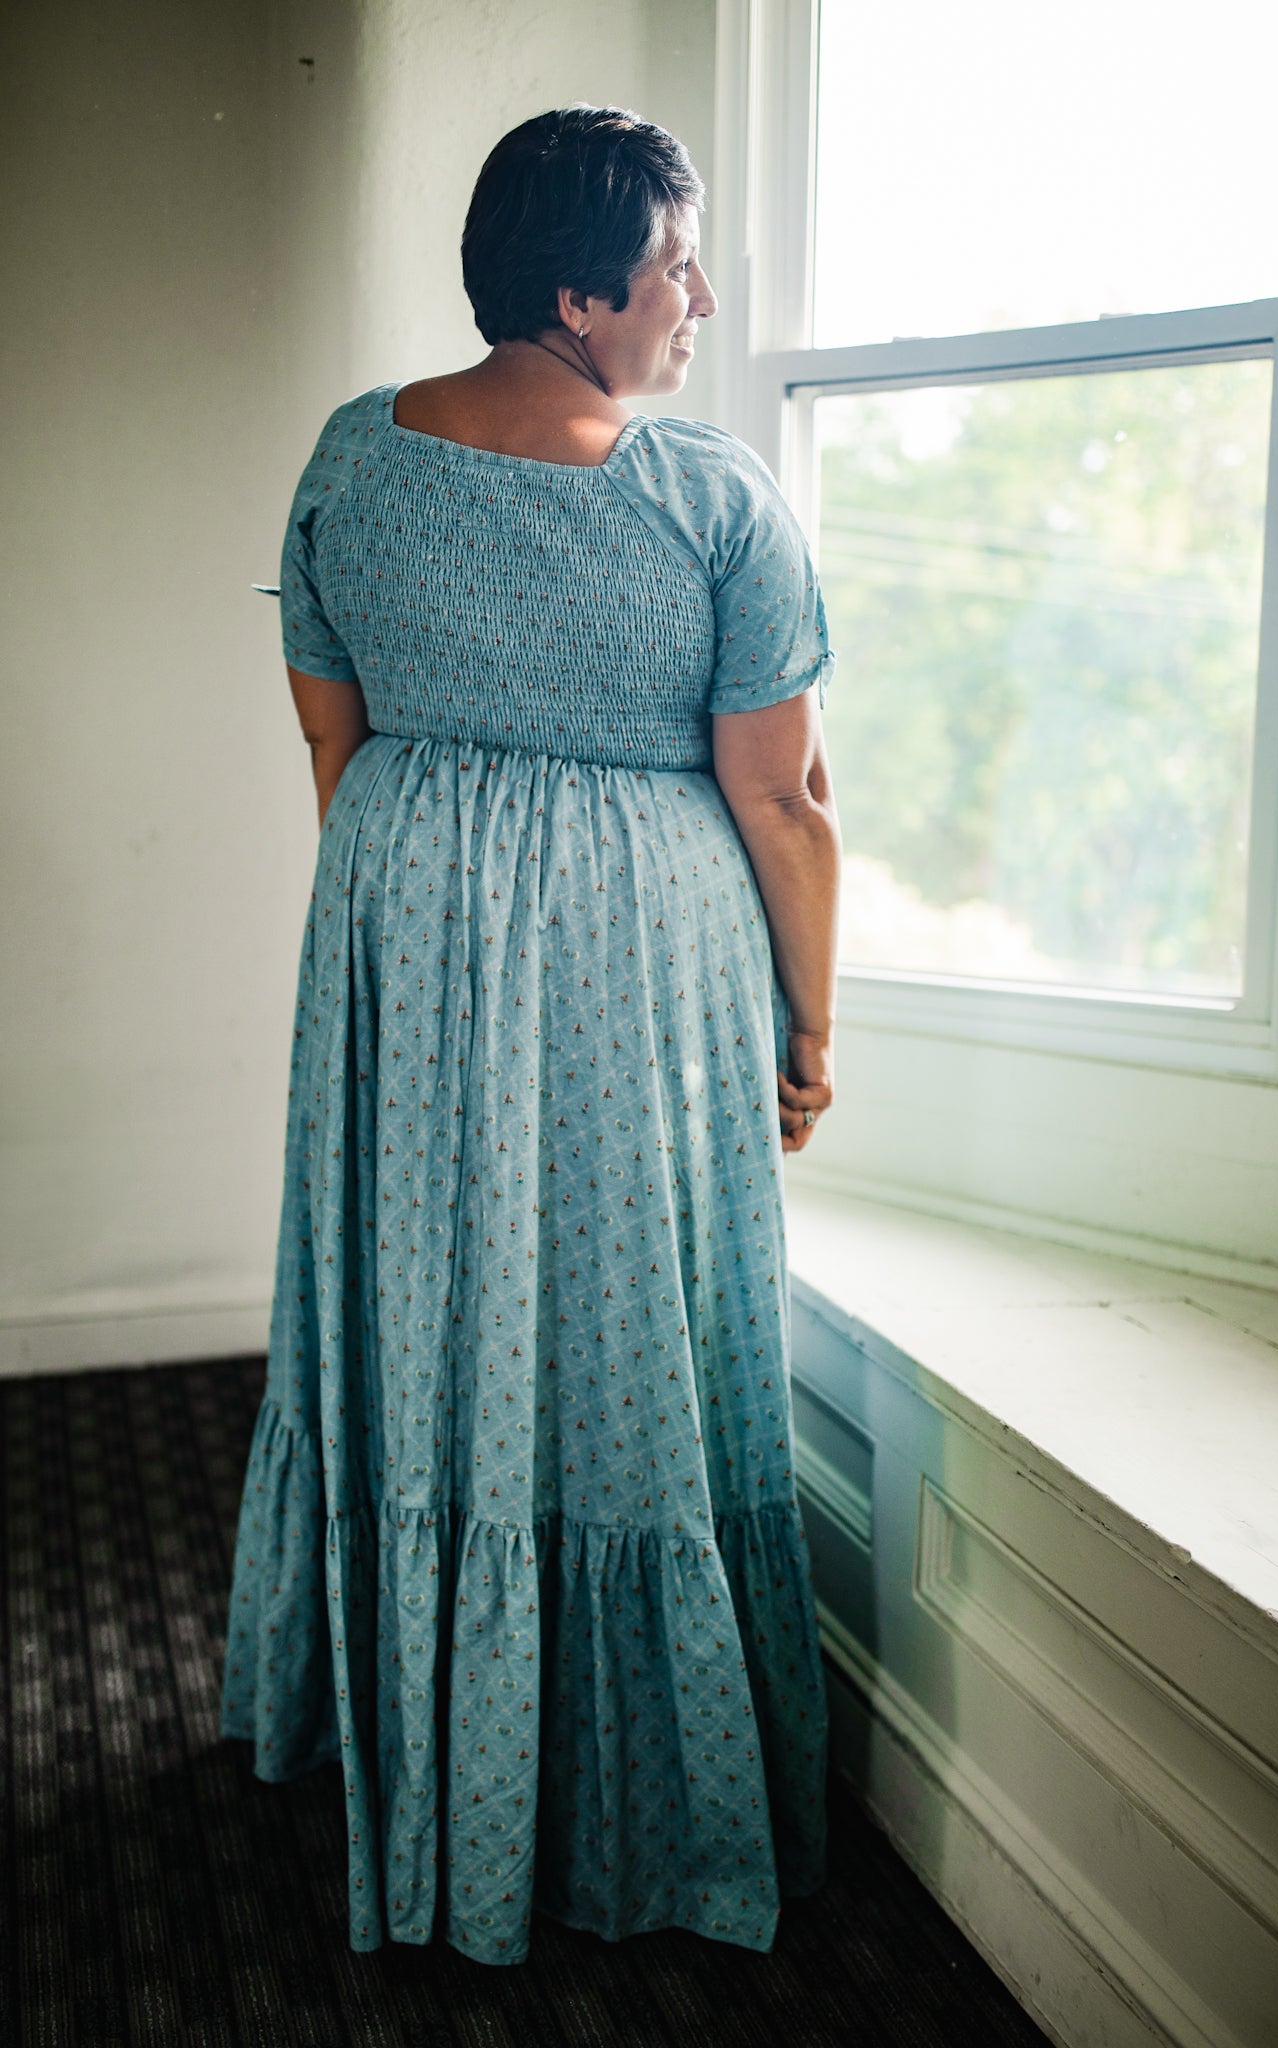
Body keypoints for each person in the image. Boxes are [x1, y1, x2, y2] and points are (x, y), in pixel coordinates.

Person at [219, 104, 841, 1967]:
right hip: (634, 960)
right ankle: (624, 1787)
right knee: (625, 1330)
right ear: (579, 296)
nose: (699, 301)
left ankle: (399, 1721)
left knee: (430, 1319)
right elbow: (786, 806)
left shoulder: (352, 452)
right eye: (672, 269)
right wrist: (809, 1030)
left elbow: (332, 738)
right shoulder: (707, 497)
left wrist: (415, 939)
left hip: (397, 923)